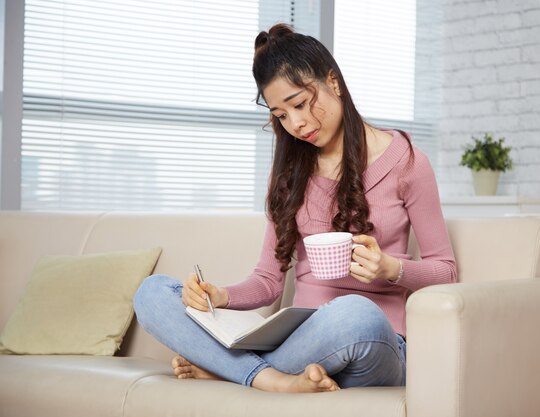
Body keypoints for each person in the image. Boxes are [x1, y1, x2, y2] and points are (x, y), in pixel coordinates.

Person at [133, 23, 456, 394]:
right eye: (281, 115)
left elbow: (445, 272)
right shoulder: (289, 171)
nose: (297, 124)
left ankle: (228, 369)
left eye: (300, 104)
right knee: (152, 292)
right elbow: (268, 281)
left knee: (356, 314)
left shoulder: (407, 161)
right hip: (301, 343)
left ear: (332, 81)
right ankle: (275, 380)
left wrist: (391, 268)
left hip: (374, 341)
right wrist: (220, 296)